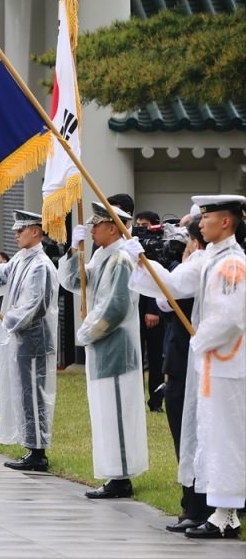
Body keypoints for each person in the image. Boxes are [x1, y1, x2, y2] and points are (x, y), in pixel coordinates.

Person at [129, 194, 245, 539]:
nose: (201, 223)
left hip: (226, 363)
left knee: (227, 437)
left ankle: (227, 514)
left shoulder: (233, 264)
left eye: (208, 218)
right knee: (210, 435)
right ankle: (218, 511)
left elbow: (230, 318)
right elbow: (175, 285)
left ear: (226, 222)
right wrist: (141, 261)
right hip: (210, 363)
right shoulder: (209, 259)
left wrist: (200, 342)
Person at [60, 203, 148, 498]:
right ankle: (113, 473)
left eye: (97, 224)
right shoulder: (101, 255)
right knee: (104, 412)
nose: (91, 229)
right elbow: (75, 282)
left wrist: (86, 332)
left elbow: (117, 305)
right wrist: (75, 252)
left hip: (116, 346)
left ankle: (121, 477)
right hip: (102, 346)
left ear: (114, 227)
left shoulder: (121, 258)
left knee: (117, 413)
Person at [0, 210, 59, 472]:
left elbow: (36, 304)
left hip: (34, 338)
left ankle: (38, 451)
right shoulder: (21, 259)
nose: (15, 234)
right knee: (23, 393)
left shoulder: (40, 265)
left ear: (35, 231)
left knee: (34, 394)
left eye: (20, 230)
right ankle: (29, 446)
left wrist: (10, 320)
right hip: (20, 337)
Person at [156, 215, 214, 532]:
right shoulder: (193, 266)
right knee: (185, 439)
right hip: (179, 361)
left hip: (191, 363)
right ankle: (190, 503)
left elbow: (168, 296)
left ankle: (198, 506)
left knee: (194, 437)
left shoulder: (203, 267)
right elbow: (164, 301)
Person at [133, 210, 165, 412]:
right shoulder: (133, 242)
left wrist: (153, 309)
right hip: (134, 307)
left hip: (153, 307)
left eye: (144, 225)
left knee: (155, 358)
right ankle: (134, 400)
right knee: (135, 356)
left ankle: (156, 401)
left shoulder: (159, 245)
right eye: (138, 225)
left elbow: (159, 277)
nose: (140, 229)